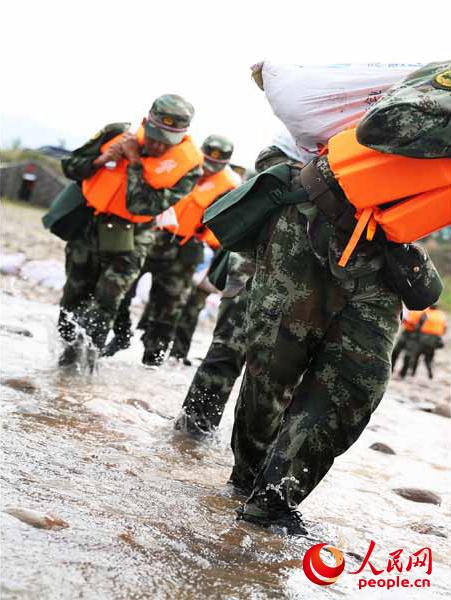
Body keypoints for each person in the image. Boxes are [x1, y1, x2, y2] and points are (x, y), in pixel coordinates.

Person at [229, 61, 450, 535]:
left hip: (383, 249)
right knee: (274, 370)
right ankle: (245, 482)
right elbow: (385, 124)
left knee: (358, 381)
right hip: (312, 222)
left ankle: (272, 500)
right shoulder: (446, 75)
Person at [57, 94, 203, 367]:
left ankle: (86, 370)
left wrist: (134, 161)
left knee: (105, 304)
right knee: (72, 299)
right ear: (145, 122)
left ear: (182, 136)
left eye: (166, 141)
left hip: (132, 239)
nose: (158, 145)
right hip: (89, 229)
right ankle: (64, 366)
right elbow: (70, 166)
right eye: (154, 135)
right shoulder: (115, 134)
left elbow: (140, 205)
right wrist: (101, 160)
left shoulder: (189, 168)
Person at [175, 138, 304, 435]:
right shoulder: (290, 142)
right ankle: (193, 433)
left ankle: (252, 456)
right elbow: (269, 171)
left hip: (299, 274)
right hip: (253, 264)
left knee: (277, 370)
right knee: (228, 350)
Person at [104, 135, 238, 366]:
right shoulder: (183, 166)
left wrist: (212, 270)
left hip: (186, 249)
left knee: (168, 310)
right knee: (122, 287)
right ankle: (122, 333)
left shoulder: (229, 186)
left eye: (214, 167)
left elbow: (224, 232)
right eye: (206, 163)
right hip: (154, 237)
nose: (207, 170)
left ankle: (153, 362)